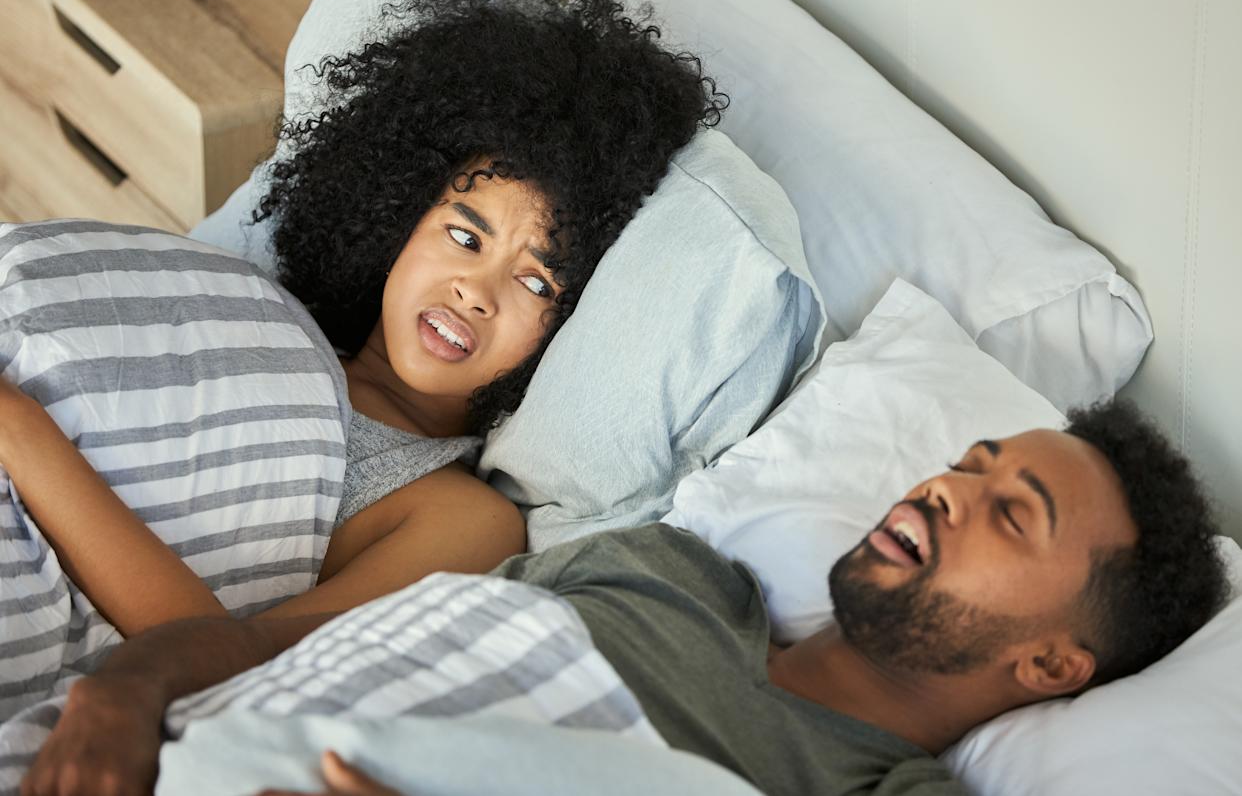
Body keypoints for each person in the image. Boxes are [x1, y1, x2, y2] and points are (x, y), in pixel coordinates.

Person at [0, 0, 727, 640]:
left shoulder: (462, 518)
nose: (476, 291)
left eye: (538, 283)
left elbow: (225, 661)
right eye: (464, 234)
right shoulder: (249, 311)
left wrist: (17, 424)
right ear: (399, 215)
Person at [20, 399, 1230, 795]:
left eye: (1013, 512)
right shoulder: (663, 566)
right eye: (969, 464)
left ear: (1054, 667)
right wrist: (122, 687)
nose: (949, 489)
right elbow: (277, 639)